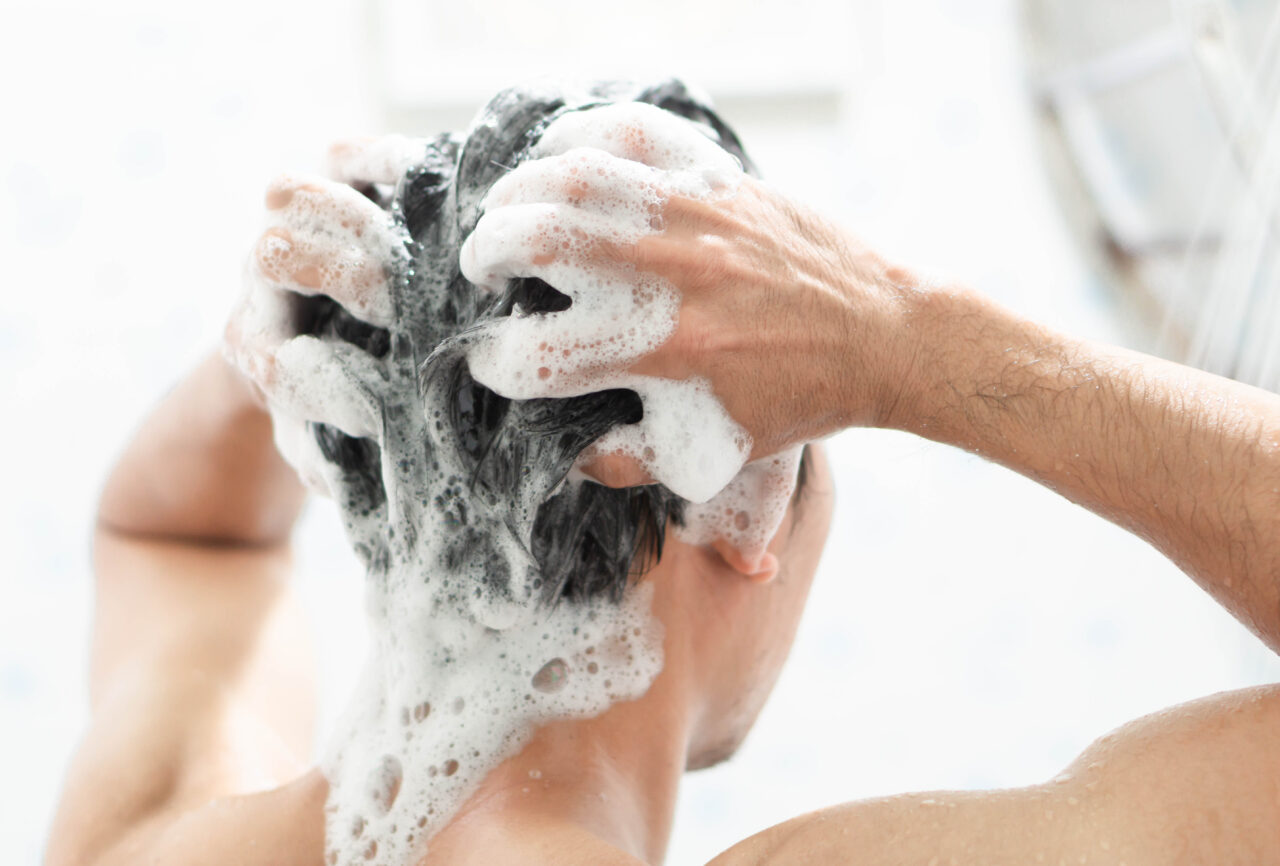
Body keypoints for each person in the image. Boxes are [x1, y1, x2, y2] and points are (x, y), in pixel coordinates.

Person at [46, 88, 1279, 866]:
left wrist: (275, 349)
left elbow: (174, 535)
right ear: (744, 507)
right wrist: (901, 340)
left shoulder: (148, 834)